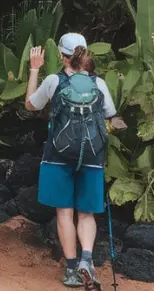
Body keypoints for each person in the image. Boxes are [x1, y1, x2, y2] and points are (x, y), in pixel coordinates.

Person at [26, 33, 127, 289]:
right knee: (86, 213)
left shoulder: (54, 80)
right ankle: (86, 260)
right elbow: (111, 116)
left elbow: (31, 105)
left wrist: (33, 70)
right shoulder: (99, 83)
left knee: (64, 212)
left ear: (62, 56)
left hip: (58, 155)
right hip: (92, 156)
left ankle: (71, 270)